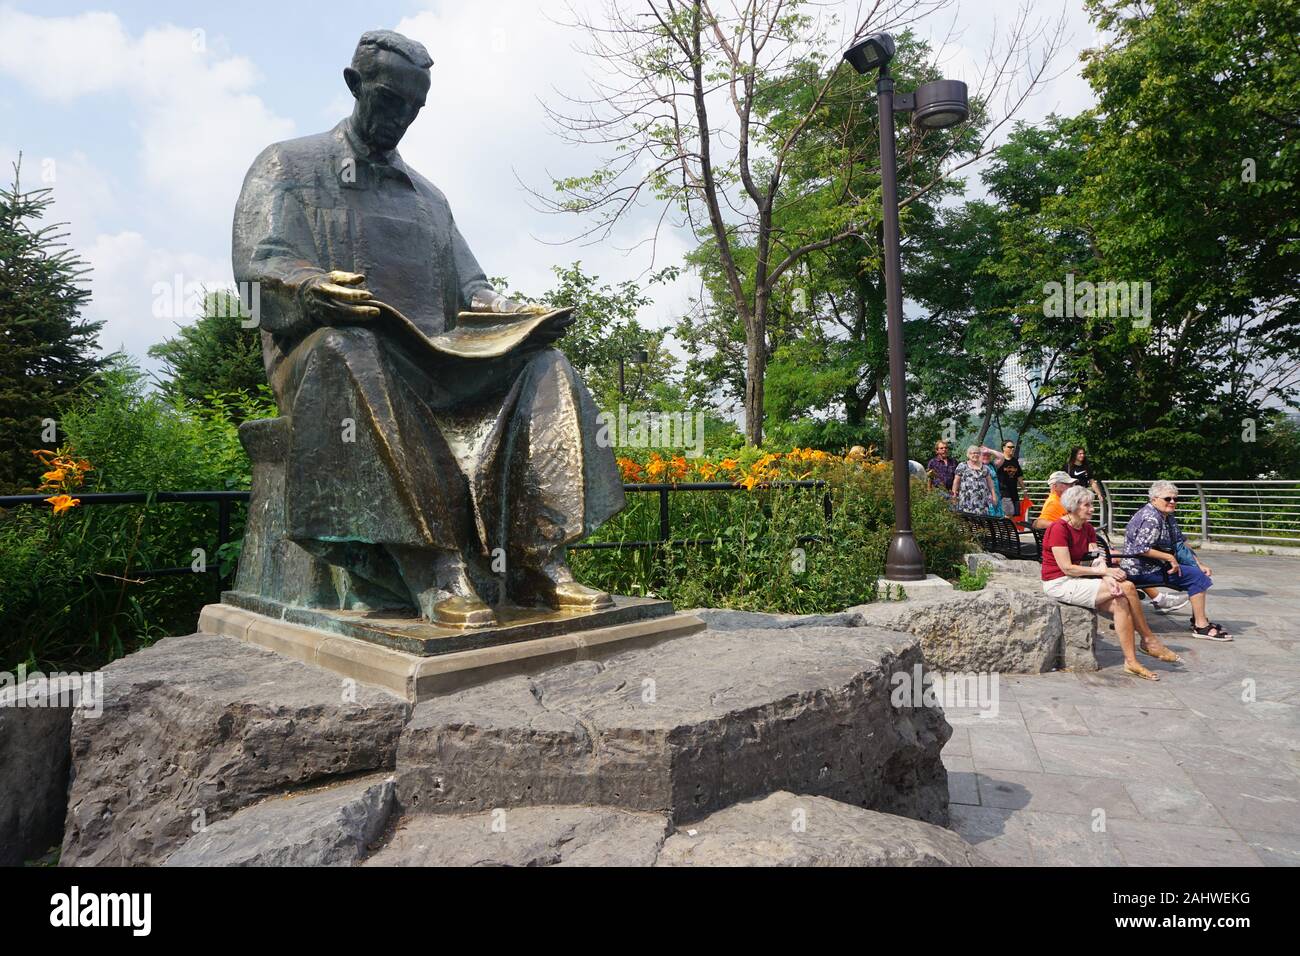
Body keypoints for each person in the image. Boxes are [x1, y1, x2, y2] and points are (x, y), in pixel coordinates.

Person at [231, 30, 621, 626]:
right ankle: (434, 567)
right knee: (352, 346)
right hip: (327, 353)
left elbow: (472, 287)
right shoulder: (288, 164)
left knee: (547, 366)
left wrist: (502, 313)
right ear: (354, 84)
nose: (401, 117)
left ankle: (538, 559)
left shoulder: (429, 199)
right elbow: (258, 269)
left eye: (415, 107)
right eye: (390, 100)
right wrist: (312, 289)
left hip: (434, 360)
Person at [1040, 486, 1180, 681]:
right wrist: (1104, 572)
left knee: (1121, 603)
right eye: (1087, 505)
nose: (1092, 509)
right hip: (1059, 582)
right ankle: (1149, 640)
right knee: (1128, 587)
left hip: (1080, 579)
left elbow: (1096, 559)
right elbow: (1067, 568)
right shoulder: (1058, 528)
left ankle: (1131, 662)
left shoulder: (1087, 528)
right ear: (1072, 507)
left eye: (1092, 505)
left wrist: (1106, 577)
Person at [1122, 482, 1230, 641]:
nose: (1172, 502)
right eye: (1167, 498)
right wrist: (1169, 558)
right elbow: (1140, 548)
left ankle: (1199, 620)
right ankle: (1200, 626)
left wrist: (1198, 563)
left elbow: (1180, 542)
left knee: (1198, 572)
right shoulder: (1151, 518)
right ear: (1154, 499)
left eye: (1175, 499)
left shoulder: (1166, 515)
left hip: (1153, 565)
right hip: (1140, 569)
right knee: (1196, 577)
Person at [952, 445, 996, 514]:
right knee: (967, 522)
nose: (975, 455)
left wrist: (994, 496)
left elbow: (990, 483)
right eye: (973, 453)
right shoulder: (962, 466)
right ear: (968, 455)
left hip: (982, 502)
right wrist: (954, 493)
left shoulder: (985, 468)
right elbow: (956, 481)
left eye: (977, 453)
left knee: (981, 522)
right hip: (966, 501)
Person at [996, 440, 1025, 518]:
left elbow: (1019, 476)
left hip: (1014, 492)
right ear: (1004, 448)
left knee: (1015, 514)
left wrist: (1024, 490)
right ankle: (1005, 529)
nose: (1012, 449)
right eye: (1009, 447)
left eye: (1013, 447)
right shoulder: (999, 461)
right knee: (1008, 514)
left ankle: (1010, 529)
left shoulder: (1015, 461)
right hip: (1004, 492)